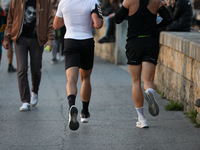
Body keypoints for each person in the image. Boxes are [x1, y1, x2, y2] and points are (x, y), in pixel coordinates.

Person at [115, 0, 172, 128]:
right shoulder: (156, 1)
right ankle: (150, 92)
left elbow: (118, 19)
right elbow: (168, 19)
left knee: (136, 81)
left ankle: (142, 120)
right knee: (148, 80)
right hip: (151, 41)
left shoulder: (129, 1)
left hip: (134, 42)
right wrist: (154, 24)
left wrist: (127, 7)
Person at [54, 0, 103, 130]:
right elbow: (98, 24)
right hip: (86, 41)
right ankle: (85, 113)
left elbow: (56, 25)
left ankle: (72, 106)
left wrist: (70, 20)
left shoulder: (63, 2)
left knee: (71, 79)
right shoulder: (93, 2)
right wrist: (89, 23)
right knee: (85, 78)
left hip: (70, 41)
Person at [3, 0, 55, 111]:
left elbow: (50, 19)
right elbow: (10, 20)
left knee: (36, 69)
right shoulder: (16, 1)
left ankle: (34, 91)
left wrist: (50, 39)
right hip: (20, 39)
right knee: (22, 69)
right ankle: (25, 101)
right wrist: (7, 38)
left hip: (37, 38)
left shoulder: (45, 2)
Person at [1, 0, 17, 72]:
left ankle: (10, 64)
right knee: (11, 40)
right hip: (10, 13)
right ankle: (10, 64)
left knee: (8, 40)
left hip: (3, 13)